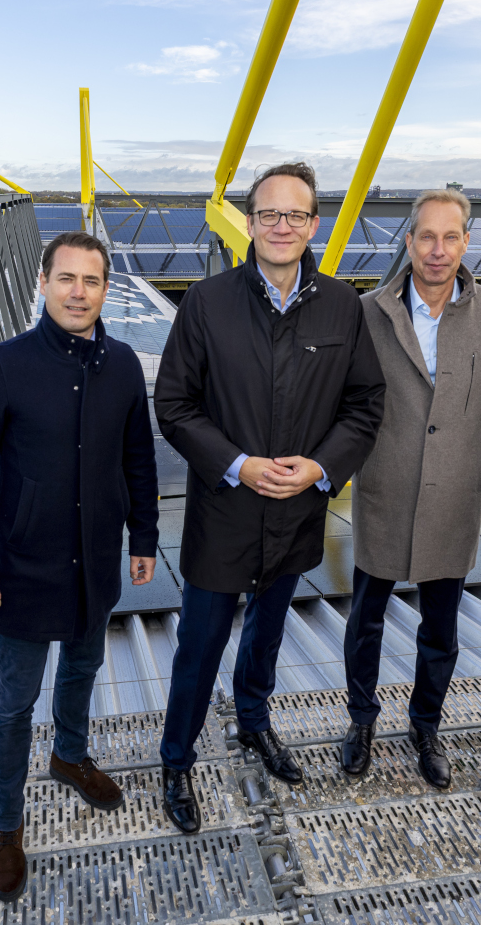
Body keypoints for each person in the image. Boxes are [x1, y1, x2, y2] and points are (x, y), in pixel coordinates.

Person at [154, 161, 385, 834]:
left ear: (314, 224)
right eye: (268, 215)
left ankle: (254, 722)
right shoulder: (207, 302)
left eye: (295, 215)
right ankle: (176, 758)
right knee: (198, 646)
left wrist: (320, 467)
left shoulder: (344, 305)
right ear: (249, 224)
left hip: (296, 510)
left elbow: (367, 402)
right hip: (225, 511)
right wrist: (237, 464)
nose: (281, 226)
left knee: (268, 633)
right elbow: (174, 403)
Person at [0, 231, 159, 902]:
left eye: (91, 282)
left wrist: (143, 537)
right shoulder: (3, 366)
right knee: (13, 703)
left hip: (94, 562)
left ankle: (69, 754)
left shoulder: (122, 365)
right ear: (42, 283)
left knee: (85, 666)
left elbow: (139, 460)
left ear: (105, 290)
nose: (78, 292)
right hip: (23, 570)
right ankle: (7, 827)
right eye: (66, 279)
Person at [341, 188, 481, 787]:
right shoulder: (368, 311)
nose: (438, 251)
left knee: (441, 625)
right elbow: (353, 400)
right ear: (409, 241)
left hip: (452, 494)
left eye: (451, 237)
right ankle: (361, 720)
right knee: (365, 618)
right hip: (386, 488)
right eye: (426, 237)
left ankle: (426, 724)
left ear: (466, 243)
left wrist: (454, 454)